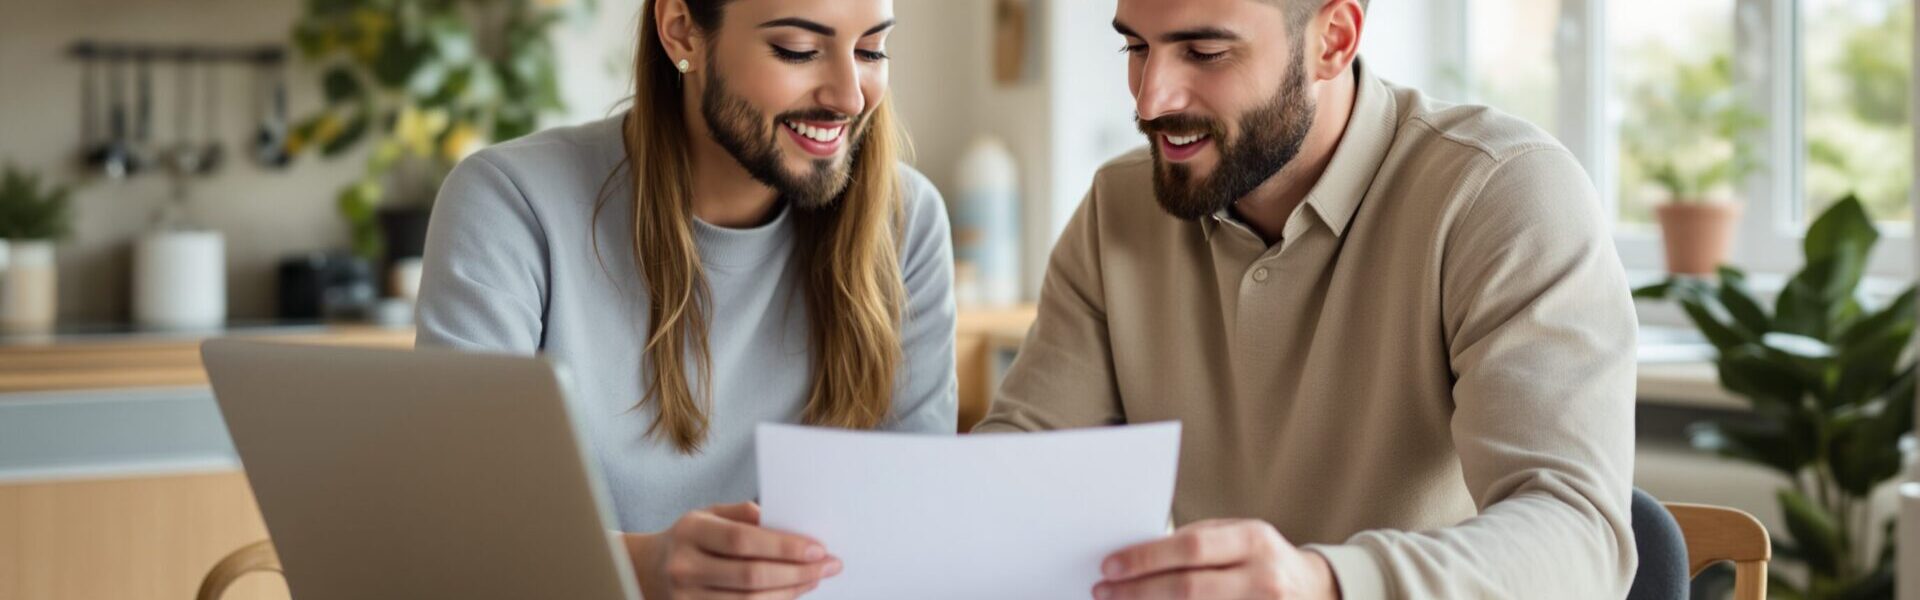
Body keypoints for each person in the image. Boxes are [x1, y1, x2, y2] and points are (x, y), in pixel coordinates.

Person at [972, 0, 1639, 597]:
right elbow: (1017, 481)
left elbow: (1579, 537)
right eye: (1136, 47)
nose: (1150, 101)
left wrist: (1324, 584)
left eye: (1204, 52)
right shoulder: (1117, 207)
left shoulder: (1502, 194)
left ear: (1333, 40)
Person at [413, 0, 956, 598]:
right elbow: (459, 527)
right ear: (681, 31)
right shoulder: (509, 203)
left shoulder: (905, 224)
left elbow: (916, 535)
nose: (850, 97)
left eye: (871, 50)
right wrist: (640, 569)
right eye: (798, 51)